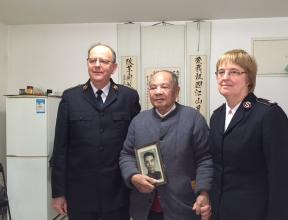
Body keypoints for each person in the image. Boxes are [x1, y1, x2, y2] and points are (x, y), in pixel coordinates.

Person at [49, 43, 141, 220]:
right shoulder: (71, 97)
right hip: (80, 192)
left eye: (104, 61)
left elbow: (136, 143)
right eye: (93, 60)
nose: (97, 65)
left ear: (113, 67)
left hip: (118, 191)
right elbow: (61, 148)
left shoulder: (128, 97)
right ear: (87, 64)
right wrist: (58, 193)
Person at [209, 49, 288, 220]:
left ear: (248, 78)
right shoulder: (217, 116)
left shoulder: (268, 114)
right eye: (221, 72)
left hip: (255, 213)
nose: (225, 77)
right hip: (220, 212)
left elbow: (283, 179)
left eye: (234, 72)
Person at [119, 70, 213, 220]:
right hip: (144, 209)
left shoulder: (194, 119)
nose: (158, 92)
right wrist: (133, 176)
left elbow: (205, 159)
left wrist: (203, 191)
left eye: (164, 87)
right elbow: (126, 155)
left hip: (183, 207)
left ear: (177, 91)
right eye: (153, 87)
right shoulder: (138, 121)